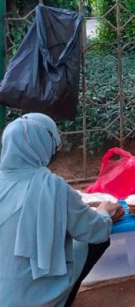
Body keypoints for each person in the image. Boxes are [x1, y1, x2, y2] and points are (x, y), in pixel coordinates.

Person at [0, 113, 120, 307]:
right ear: (44, 145)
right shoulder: (52, 187)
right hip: (32, 299)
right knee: (95, 240)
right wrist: (104, 212)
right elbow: (95, 230)